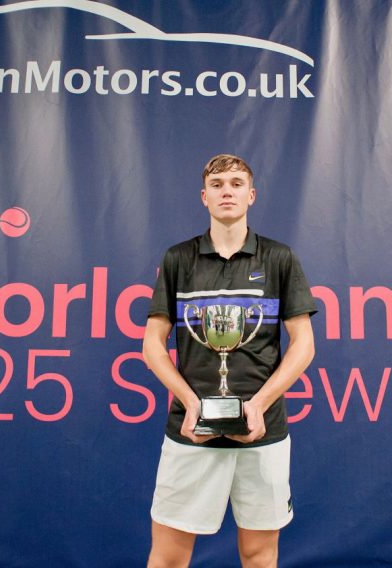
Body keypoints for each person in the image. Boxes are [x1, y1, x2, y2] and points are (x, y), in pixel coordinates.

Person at [143, 154, 316, 568]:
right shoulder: (178, 259)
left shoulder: (279, 258)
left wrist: (258, 405)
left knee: (259, 555)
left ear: (251, 195)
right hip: (190, 429)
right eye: (218, 184)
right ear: (204, 197)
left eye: (237, 183)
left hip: (263, 430)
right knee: (168, 557)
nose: (227, 191)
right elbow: (152, 345)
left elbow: (303, 345)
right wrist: (189, 402)